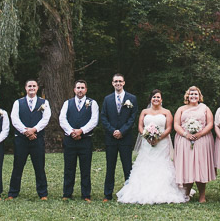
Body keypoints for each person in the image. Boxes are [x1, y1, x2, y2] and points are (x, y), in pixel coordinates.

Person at [116, 89, 189, 204]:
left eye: (158, 97)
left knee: (161, 163)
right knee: (145, 163)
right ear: (151, 99)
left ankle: (163, 190)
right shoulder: (145, 112)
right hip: (147, 143)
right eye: (154, 97)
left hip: (162, 142)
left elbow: (169, 128)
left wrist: (158, 138)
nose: (156, 99)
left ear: (161, 99)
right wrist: (147, 136)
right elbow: (140, 126)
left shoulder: (166, 112)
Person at [6, 79, 51, 200]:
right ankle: (12, 193)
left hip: (37, 139)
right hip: (21, 139)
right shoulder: (18, 102)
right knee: (18, 166)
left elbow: (46, 119)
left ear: (37, 88)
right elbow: (14, 119)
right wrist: (26, 131)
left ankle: (43, 193)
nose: (32, 88)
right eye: (29, 86)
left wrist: (34, 130)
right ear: (25, 88)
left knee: (39, 166)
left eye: (34, 86)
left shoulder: (44, 102)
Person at [172, 85, 216, 202]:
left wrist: (199, 134)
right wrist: (186, 134)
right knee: (187, 166)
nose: (193, 96)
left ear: (199, 96)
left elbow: (210, 123)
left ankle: (202, 195)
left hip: (202, 140)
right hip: (185, 140)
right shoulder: (181, 109)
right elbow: (176, 124)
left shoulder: (205, 108)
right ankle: (186, 193)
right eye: (191, 94)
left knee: (200, 166)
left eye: (196, 94)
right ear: (188, 96)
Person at [59, 79, 99, 201]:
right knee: (69, 168)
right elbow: (62, 119)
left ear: (86, 90)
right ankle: (67, 193)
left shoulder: (93, 103)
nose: (80, 90)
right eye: (78, 88)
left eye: (82, 88)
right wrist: (72, 132)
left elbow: (94, 120)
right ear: (74, 89)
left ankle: (86, 194)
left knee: (85, 168)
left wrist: (81, 131)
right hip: (70, 140)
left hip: (85, 140)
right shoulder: (67, 103)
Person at [100, 73, 137, 201]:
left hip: (125, 138)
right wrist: (112, 131)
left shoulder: (132, 98)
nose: (118, 83)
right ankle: (107, 194)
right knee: (110, 167)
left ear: (124, 83)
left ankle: (129, 194)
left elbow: (132, 118)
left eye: (120, 81)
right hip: (111, 139)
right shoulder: (107, 99)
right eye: (116, 81)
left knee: (127, 167)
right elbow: (103, 117)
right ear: (112, 83)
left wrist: (122, 131)